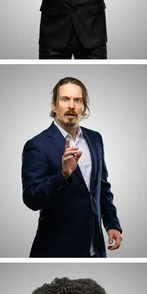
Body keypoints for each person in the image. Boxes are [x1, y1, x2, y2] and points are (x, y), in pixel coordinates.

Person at [22, 77, 122, 257]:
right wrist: (63, 174)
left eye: (78, 100)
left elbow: (101, 188)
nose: (71, 105)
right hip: (56, 250)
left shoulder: (95, 139)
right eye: (65, 99)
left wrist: (112, 224)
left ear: (84, 107)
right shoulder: (37, 145)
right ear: (54, 106)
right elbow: (31, 199)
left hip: (95, 249)